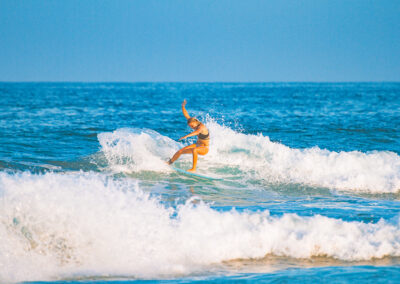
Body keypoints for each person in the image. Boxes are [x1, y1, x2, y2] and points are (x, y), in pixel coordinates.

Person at [167, 99, 210, 172]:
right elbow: (186, 115)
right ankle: (169, 162)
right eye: (190, 126)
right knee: (180, 151)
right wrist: (183, 106)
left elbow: (196, 132)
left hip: (204, 148)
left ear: (195, 122)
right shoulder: (193, 122)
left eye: (192, 126)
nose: (192, 127)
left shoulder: (201, 127)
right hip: (197, 144)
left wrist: (186, 136)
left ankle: (193, 168)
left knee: (195, 150)